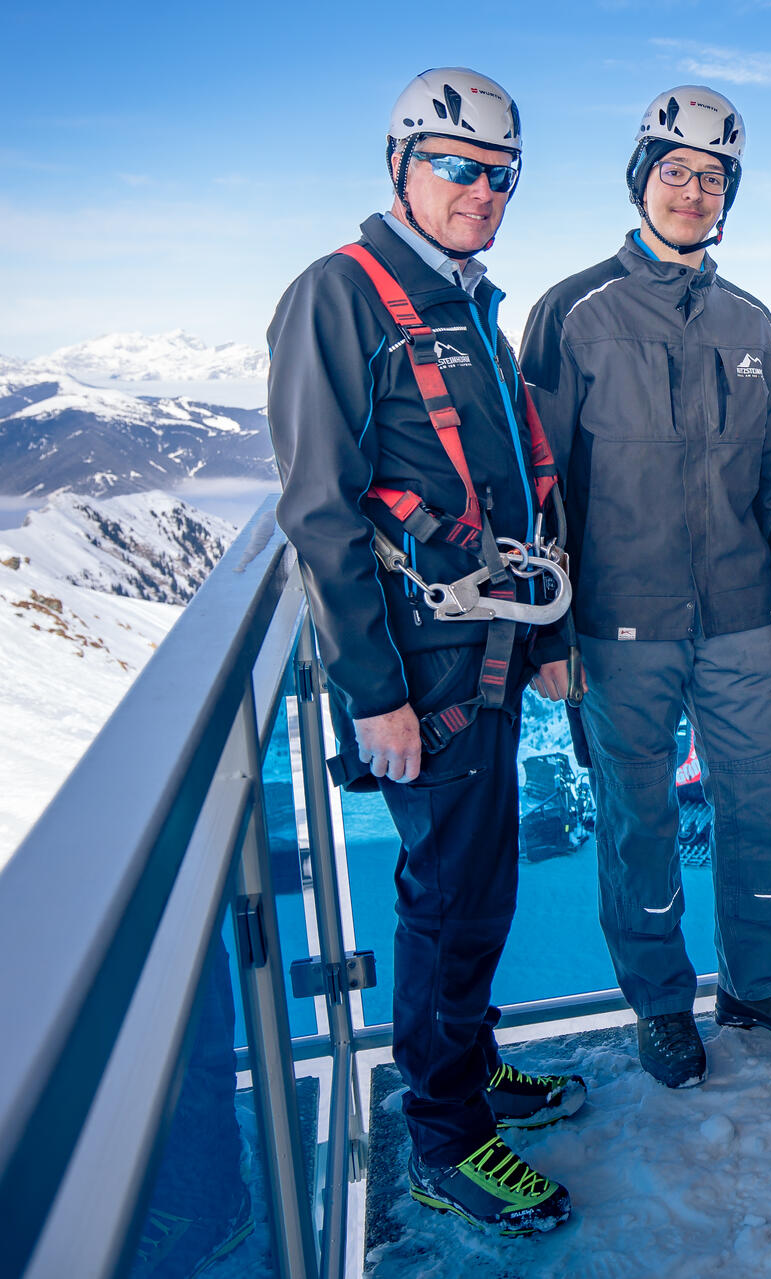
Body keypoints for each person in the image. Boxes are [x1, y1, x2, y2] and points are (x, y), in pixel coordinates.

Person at [267, 67, 580, 1236]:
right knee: (447, 897)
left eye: (499, 175)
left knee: (479, 887)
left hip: (486, 654)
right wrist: (374, 694)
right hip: (420, 674)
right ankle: (446, 1140)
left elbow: (508, 486)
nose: (481, 191)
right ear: (401, 166)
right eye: (456, 167)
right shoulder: (340, 298)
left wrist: (543, 636)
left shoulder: (465, 305)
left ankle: (474, 1070)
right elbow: (320, 511)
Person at [521, 85, 771, 1088]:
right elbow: (539, 484)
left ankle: (756, 977)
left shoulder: (752, 320)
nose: (694, 191)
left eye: (713, 178)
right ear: (641, 179)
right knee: (640, 819)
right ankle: (662, 1004)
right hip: (622, 622)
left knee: (762, 803)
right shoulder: (574, 311)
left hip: (745, 614)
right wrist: (549, 637)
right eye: (677, 172)